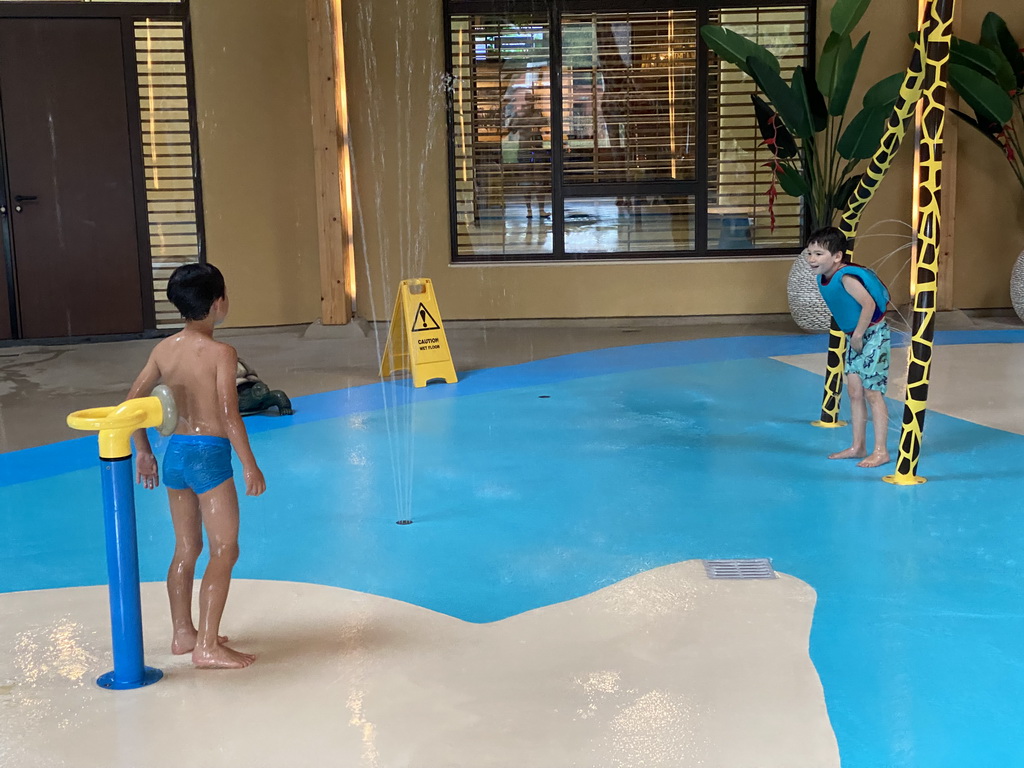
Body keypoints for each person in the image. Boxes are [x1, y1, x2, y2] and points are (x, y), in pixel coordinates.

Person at [127, 263, 266, 669]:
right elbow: (229, 413)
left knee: (187, 547)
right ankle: (206, 646)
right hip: (209, 457)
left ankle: (182, 632)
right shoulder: (222, 353)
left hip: (175, 456)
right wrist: (249, 465)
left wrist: (143, 450)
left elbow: (132, 404)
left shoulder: (163, 350)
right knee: (225, 548)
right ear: (219, 303)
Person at [805, 227, 891, 468]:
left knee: (872, 393)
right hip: (855, 337)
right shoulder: (824, 278)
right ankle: (858, 446)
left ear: (837, 257)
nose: (812, 259)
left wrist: (860, 335)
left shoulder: (846, 277)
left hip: (872, 334)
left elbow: (868, 304)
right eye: (809, 253)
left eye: (819, 254)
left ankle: (881, 451)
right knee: (854, 391)